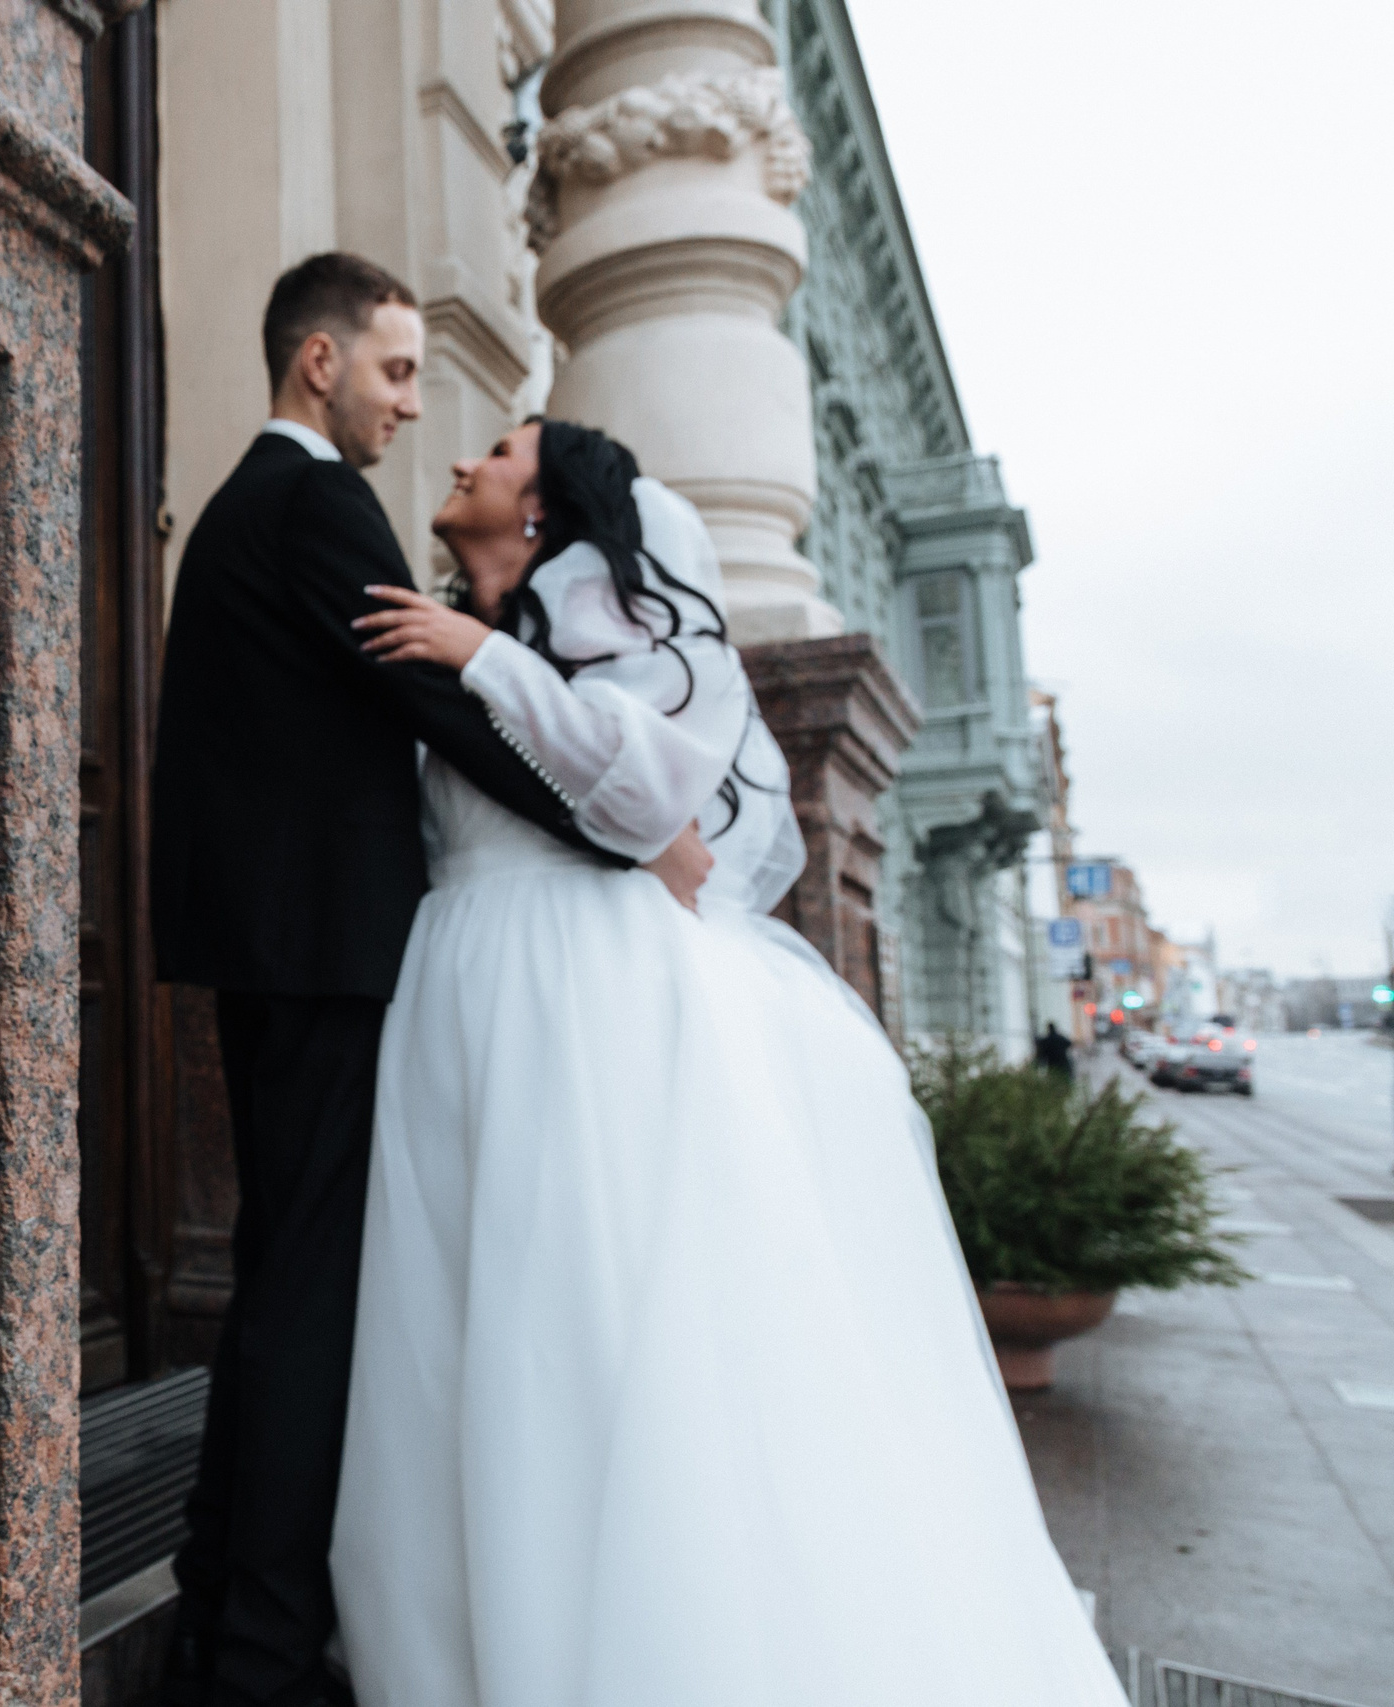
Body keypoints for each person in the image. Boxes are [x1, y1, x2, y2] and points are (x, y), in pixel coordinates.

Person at [327, 418, 1131, 1707]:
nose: (463, 456)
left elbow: (656, 799)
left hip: (572, 987)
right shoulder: (459, 623)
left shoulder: (598, 609)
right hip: (460, 978)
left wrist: (486, 655)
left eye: (499, 446)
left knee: (576, 1320)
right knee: (457, 1334)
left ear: (544, 509)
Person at [148, 258, 711, 1707]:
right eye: (399, 373)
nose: (416, 404)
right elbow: (430, 703)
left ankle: (222, 1594)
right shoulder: (315, 503)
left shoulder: (236, 510)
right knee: (302, 1304)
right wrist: (617, 825)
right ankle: (257, 1659)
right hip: (328, 955)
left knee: (288, 1279)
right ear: (320, 363)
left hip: (277, 948)